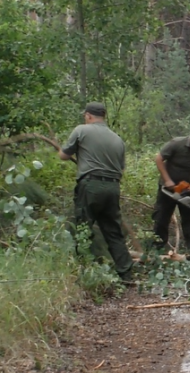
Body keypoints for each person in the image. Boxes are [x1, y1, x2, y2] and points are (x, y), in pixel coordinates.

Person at [58, 102, 134, 281]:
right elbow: (121, 170)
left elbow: (64, 155)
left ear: (88, 116)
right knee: (113, 231)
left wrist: (62, 151)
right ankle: (126, 274)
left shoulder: (81, 130)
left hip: (91, 185)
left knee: (84, 227)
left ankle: (83, 272)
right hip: (113, 187)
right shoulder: (117, 139)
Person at [152, 123, 190, 259]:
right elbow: (159, 159)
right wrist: (167, 180)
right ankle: (157, 248)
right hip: (168, 187)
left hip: (185, 187)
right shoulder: (176, 144)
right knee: (161, 217)